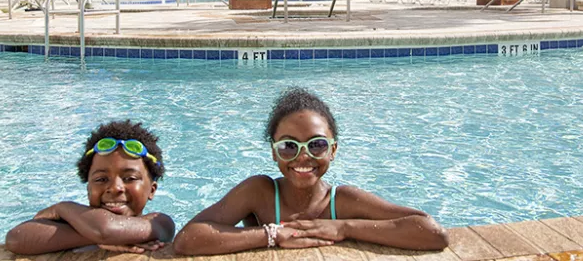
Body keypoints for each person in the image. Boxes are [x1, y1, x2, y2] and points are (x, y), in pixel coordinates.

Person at [173, 89, 448, 255]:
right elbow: (188, 239)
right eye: (289, 146)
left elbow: (432, 232)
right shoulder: (260, 193)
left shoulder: (342, 202)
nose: (303, 156)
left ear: (333, 150)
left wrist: (343, 227)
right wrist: (271, 235)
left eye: (316, 144)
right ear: (273, 152)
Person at [5, 120, 175, 255]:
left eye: (129, 178)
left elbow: (105, 230)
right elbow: (16, 239)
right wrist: (100, 238)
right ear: (88, 186)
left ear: (152, 190)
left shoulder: (159, 223)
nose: (115, 188)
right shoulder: (78, 222)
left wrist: (62, 208)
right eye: (101, 179)